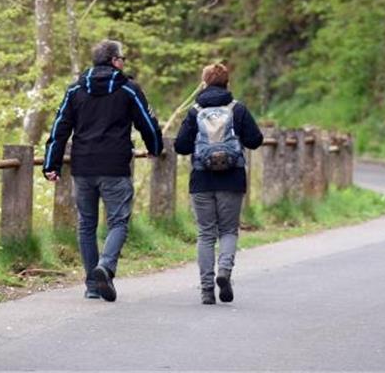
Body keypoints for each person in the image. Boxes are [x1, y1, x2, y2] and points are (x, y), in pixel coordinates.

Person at [42, 39, 163, 302]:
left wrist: (51, 164)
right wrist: (154, 147)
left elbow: (60, 127)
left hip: (83, 166)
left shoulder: (75, 90)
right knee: (118, 221)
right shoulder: (129, 90)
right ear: (114, 61)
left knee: (86, 224)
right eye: (123, 59)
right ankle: (105, 267)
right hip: (115, 166)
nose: (124, 64)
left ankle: (92, 286)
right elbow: (148, 122)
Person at [173, 62, 264, 305]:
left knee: (205, 234)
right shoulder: (238, 109)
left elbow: (180, 146)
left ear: (203, 83)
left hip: (201, 179)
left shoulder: (194, 112)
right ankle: (224, 271)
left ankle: (206, 290)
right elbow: (256, 140)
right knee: (228, 230)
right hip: (232, 179)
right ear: (227, 83)